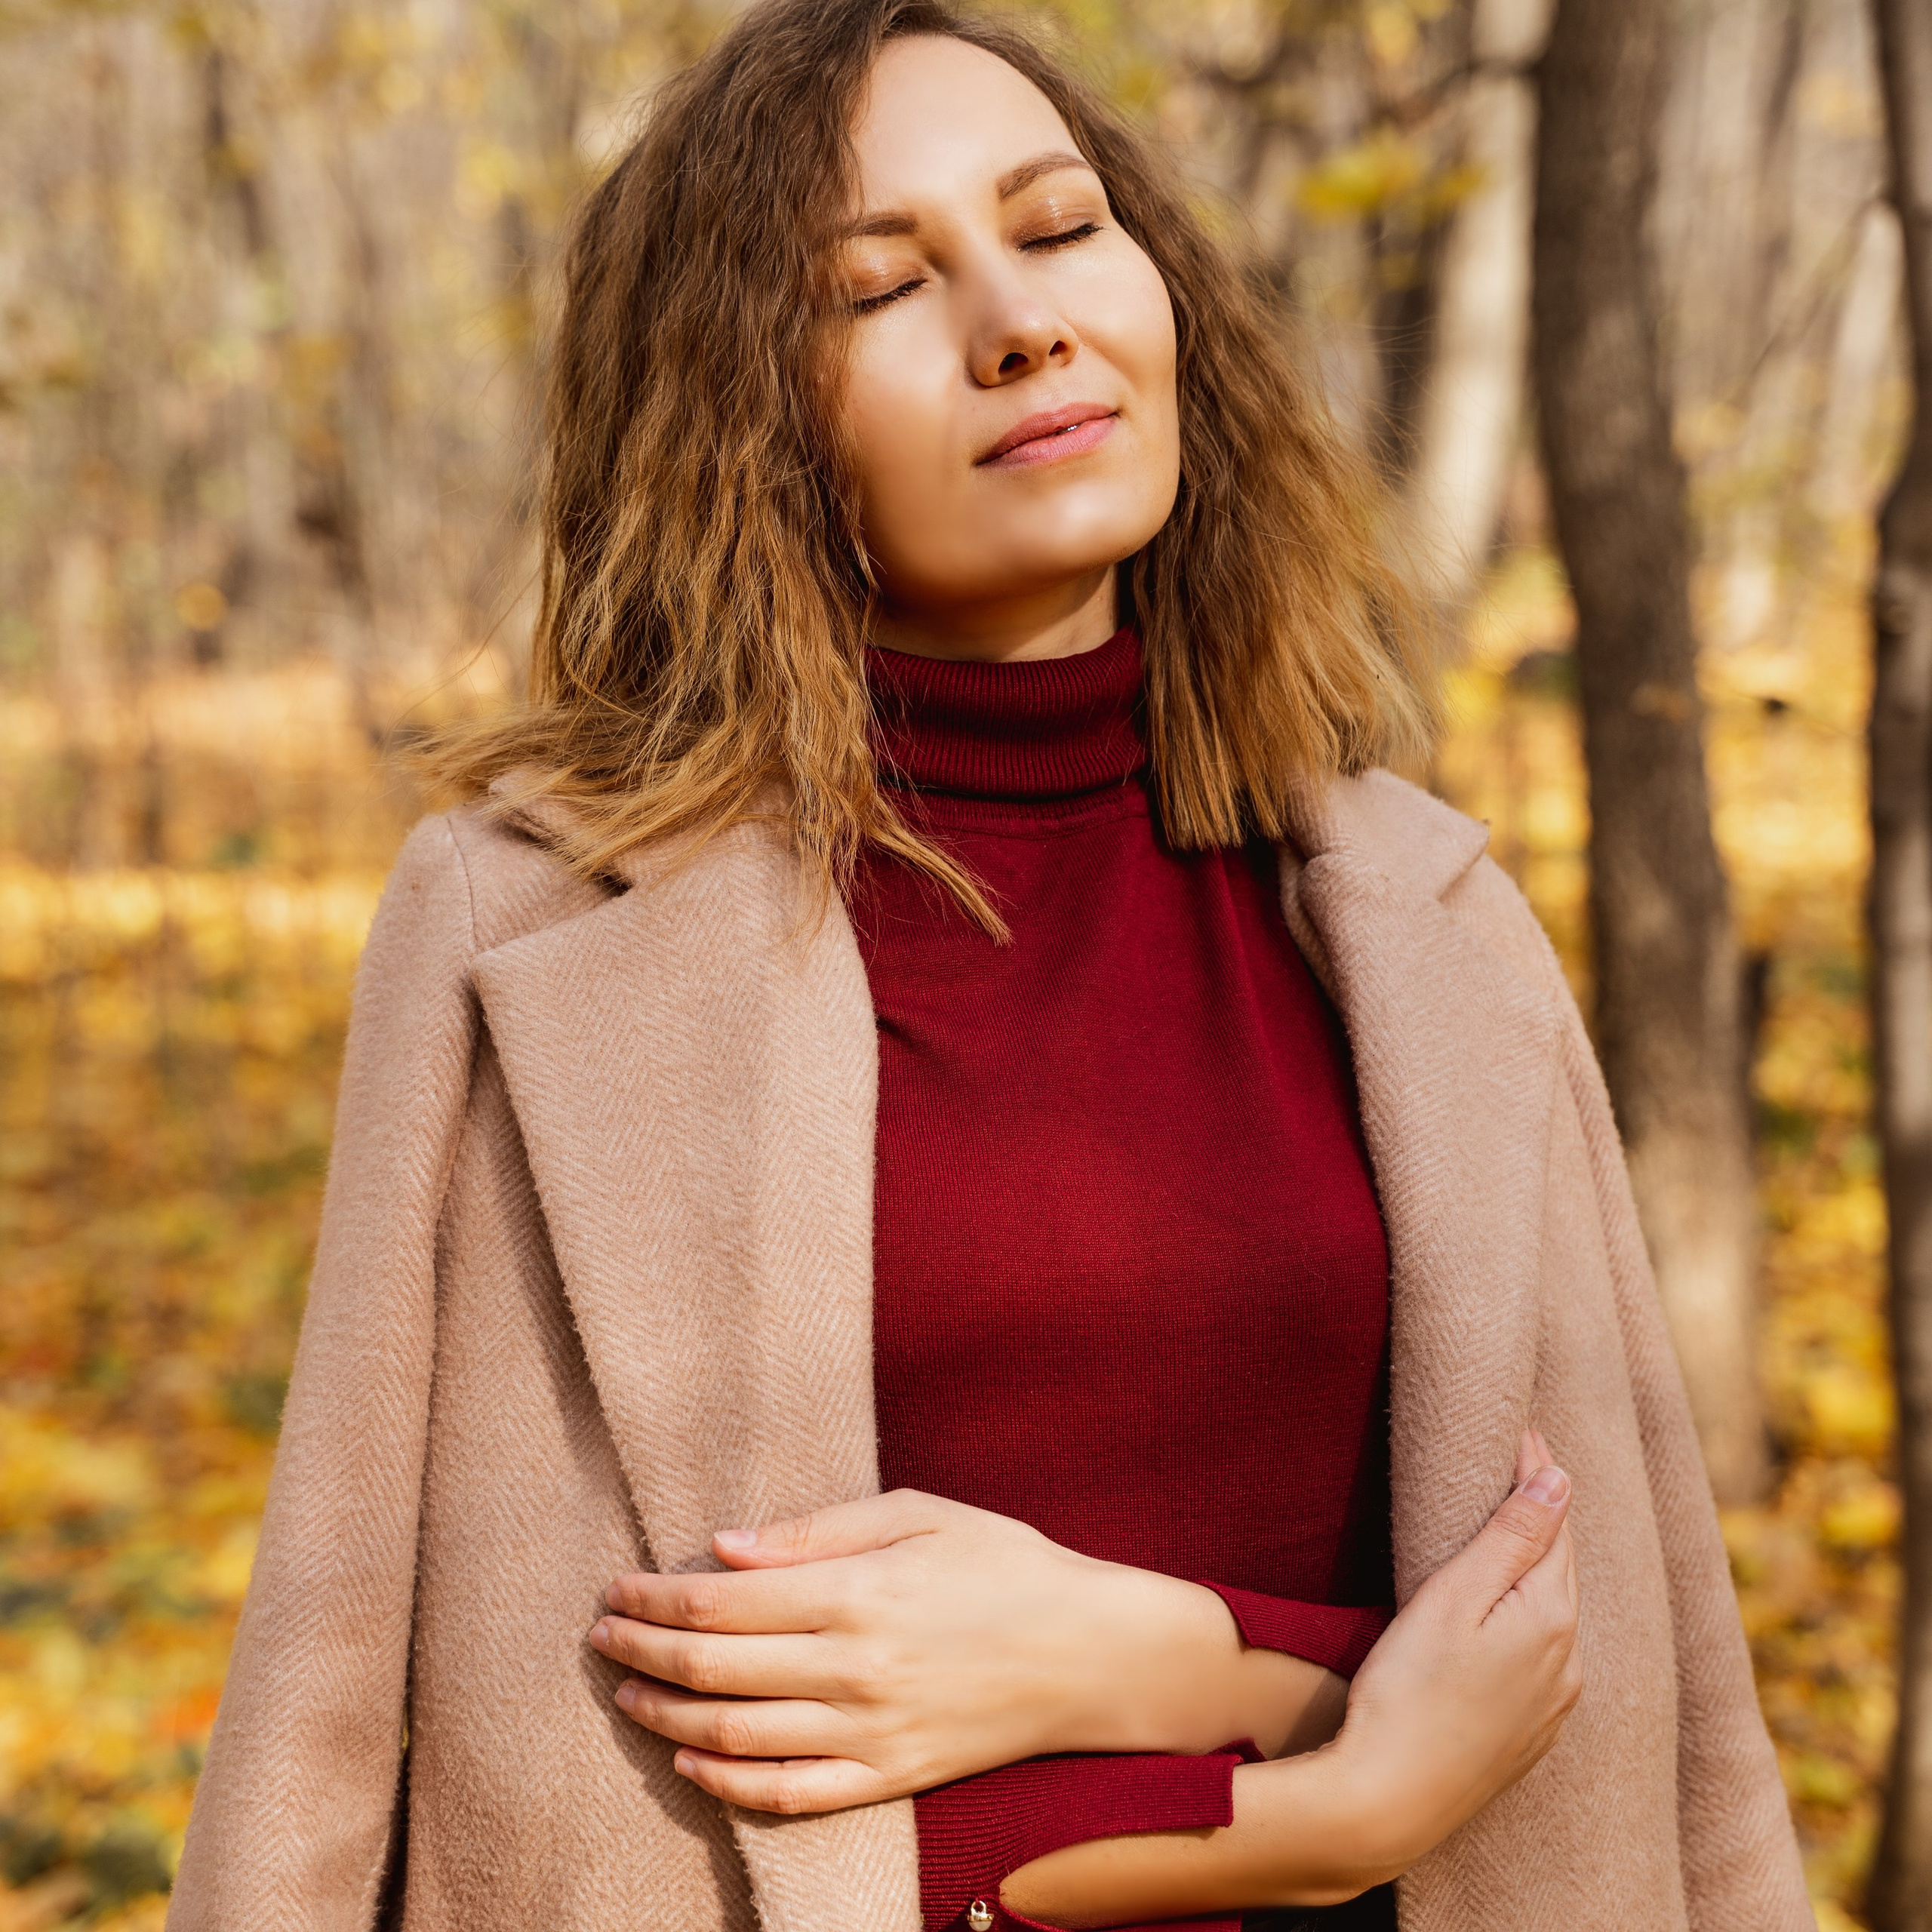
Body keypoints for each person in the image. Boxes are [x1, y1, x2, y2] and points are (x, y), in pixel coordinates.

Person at [165, 1, 1813, 1927]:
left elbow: (1640, 1698)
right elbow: (372, 1727)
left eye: (1056, 225)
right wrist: (1302, 1800)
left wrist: (1145, 1656)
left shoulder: (1429, 924)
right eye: (879, 286)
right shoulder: (524, 927)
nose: (1017, 319)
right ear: (740, 422)